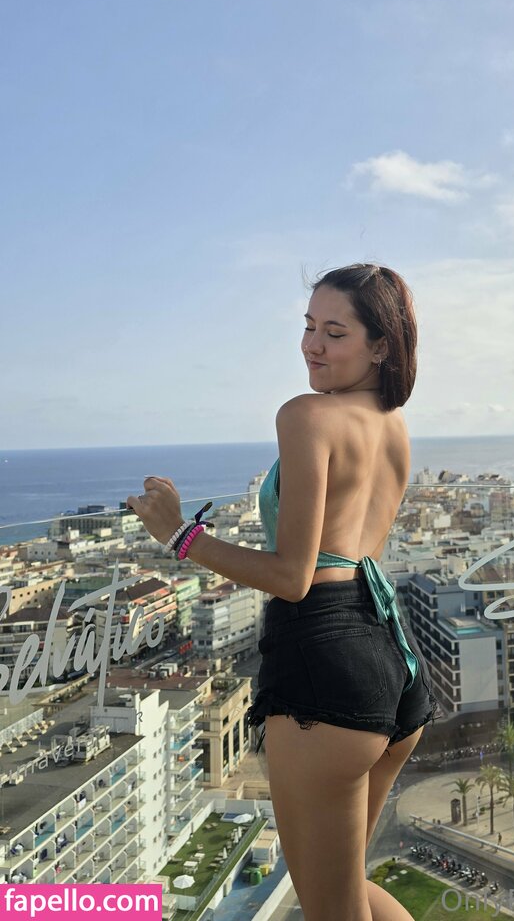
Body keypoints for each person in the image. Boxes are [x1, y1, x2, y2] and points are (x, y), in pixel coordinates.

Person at [127, 262, 439, 921]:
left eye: (334, 333)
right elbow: (352, 554)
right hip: (393, 662)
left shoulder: (307, 416)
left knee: (332, 910)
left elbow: (294, 577)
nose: (311, 346)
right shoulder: (392, 424)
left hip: (324, 666)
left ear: (381, 346)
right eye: (308, 327)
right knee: (347, 895)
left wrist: (179, 534)